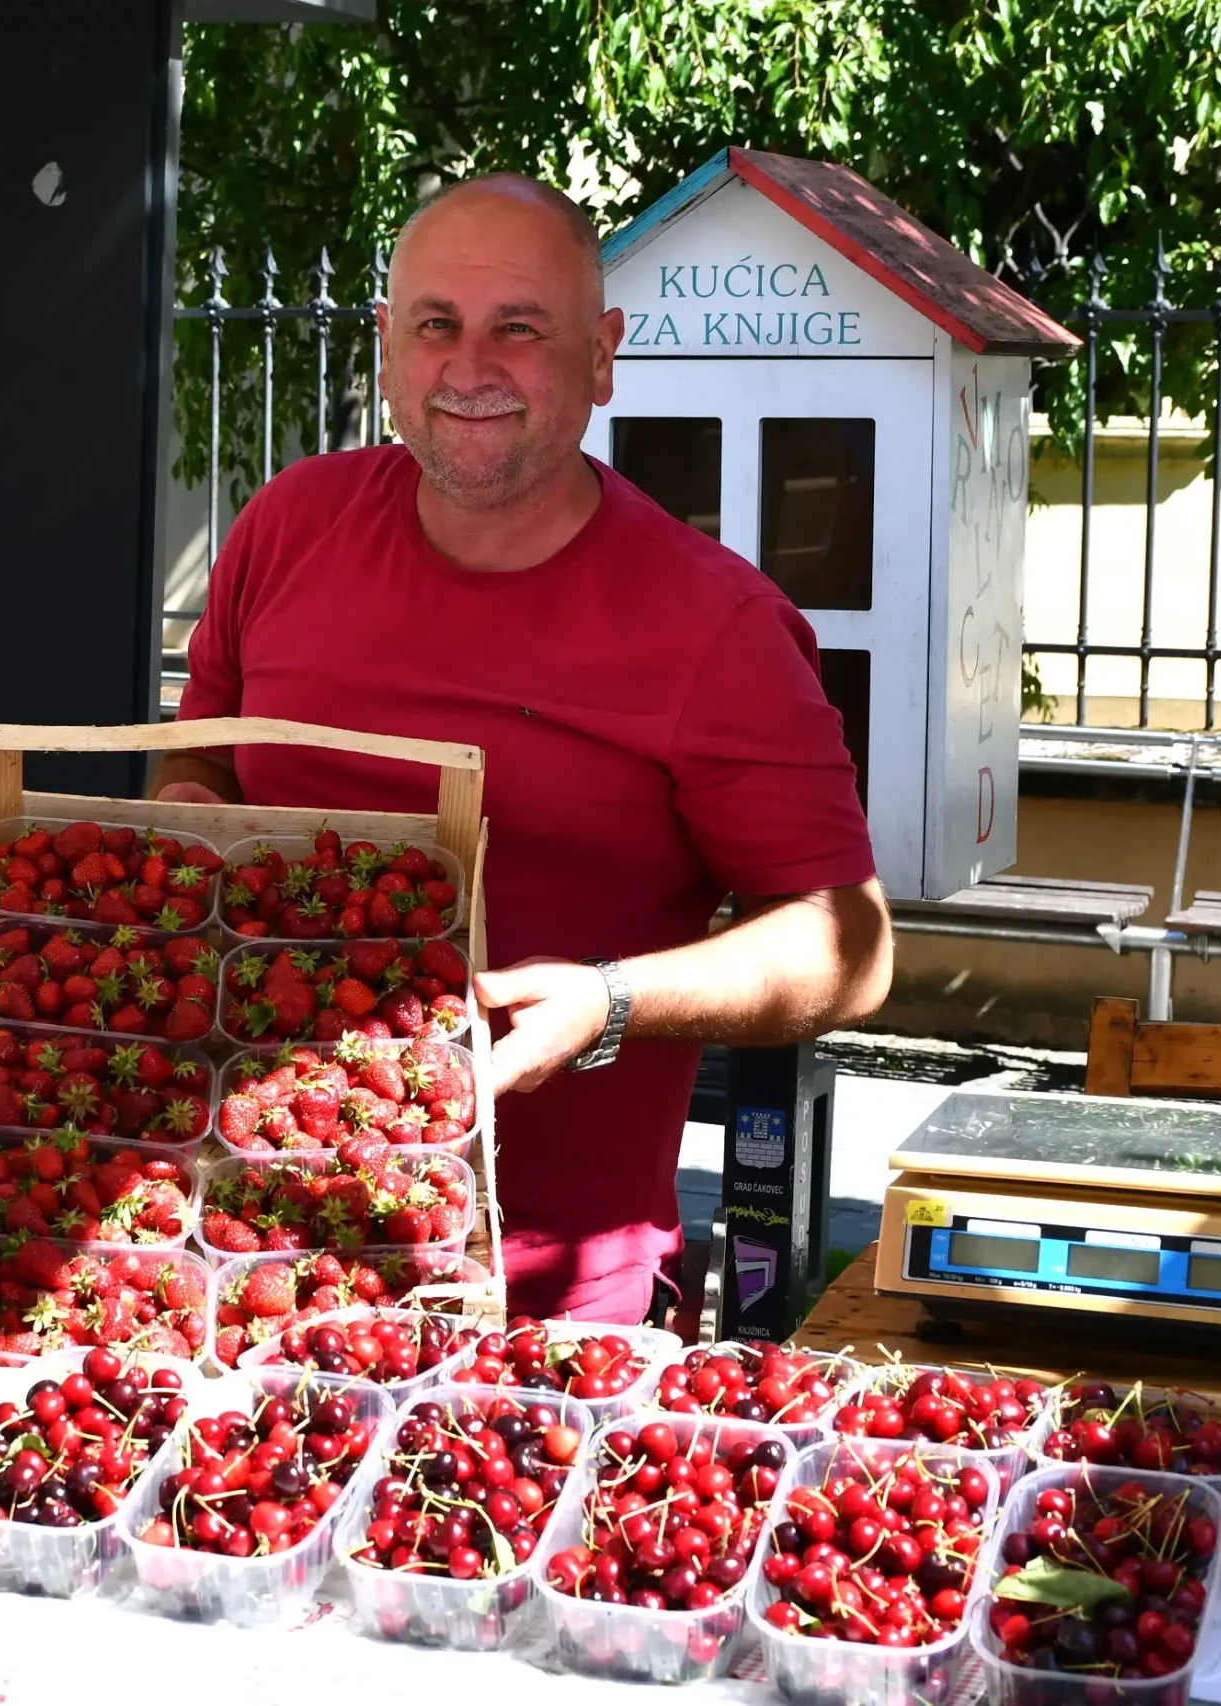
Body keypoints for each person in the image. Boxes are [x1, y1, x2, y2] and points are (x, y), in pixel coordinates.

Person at [160, 175, 894, 1325]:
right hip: (236, 1232)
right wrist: (195, 847)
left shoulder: (717, 626)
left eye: (520, 328)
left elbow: (848, 948)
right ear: (388, 348)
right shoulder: (287, 526)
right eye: (435, 324)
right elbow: (199, 760)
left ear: (602, 356)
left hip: (539, 1291)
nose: (469, 367)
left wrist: (609, 1001)